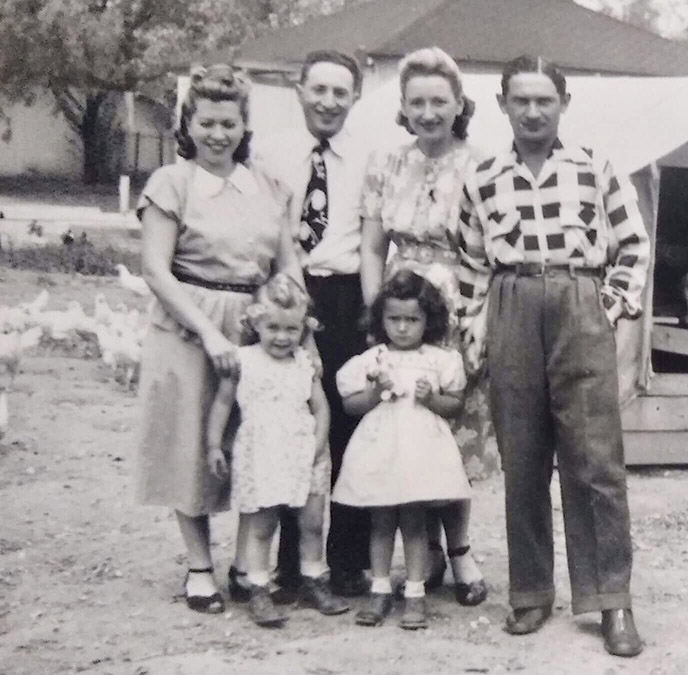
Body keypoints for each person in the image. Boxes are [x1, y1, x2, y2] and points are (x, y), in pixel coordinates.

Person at [456, 55, 651, 657]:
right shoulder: (483, 176)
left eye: (545, 100)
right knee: (524, 457)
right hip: (511, 304)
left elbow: (633, 246)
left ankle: (610, 599)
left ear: (563, 103)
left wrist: (608, 308)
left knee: (595, 460)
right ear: (502, 105)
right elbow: (468, 262)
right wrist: (473, 328)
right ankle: (532, 592)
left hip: (578, 300)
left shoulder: (593, 167)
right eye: (522, 100)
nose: (533, 111)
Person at [134, 64, 301, 614]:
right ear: (189, 123)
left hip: (256, 326)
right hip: (188, 323)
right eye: (206, 123)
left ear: (242, 124)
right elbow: (156, 269)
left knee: (257, 443)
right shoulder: (172, 183)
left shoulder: (267, 186)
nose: (217, 135)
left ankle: (249, 563)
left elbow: (286, 264)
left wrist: (292, 321)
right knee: (191, 444)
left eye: (228, 123)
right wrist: (208, 332)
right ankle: (199, 567)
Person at [358, 46, 490, 609]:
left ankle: (458, 549)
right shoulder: (386, 162)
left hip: (459, 306)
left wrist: (479, 319)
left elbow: (492, 253)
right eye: (418, 102)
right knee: (404, 428)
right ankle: (423, 551)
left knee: (451, 432)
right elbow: (370, 246)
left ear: (459, 104)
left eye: (440, 101)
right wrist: (376, 316)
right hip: (401, 308)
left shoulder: (483, 164)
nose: (429, 112)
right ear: (404, 107)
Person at [255, 49, 373, 599]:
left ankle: (346, 560)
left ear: (356, 97)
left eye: (340, 92)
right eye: (318, 89)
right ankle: (285, 564)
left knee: (348, 426)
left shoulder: (372, 156)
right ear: (299, 90)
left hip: (347, 294)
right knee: (287, 419)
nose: (328, 102)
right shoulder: (270, 154)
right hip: (287, 292)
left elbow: (376, 239)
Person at [205, 274, 350, 627]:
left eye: (291, 329)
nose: (282, 337)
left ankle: (314, 581)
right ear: (256, 322)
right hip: (262, 453)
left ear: (303, 328)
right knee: (262, 524)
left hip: (304, 451)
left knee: (313, 522)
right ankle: (257, 588)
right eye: (273, 327)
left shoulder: (304, 363)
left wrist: (317, 447)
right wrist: (213, 444)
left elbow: (321, 409)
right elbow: (223, 404)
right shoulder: (243, 360)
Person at [333, 271, 473, 629]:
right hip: (381, 451)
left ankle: (415, 593)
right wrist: (375, 392)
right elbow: (351, 405)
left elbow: (455, 405)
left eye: (412, 319)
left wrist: (432, 398)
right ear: (381, 319)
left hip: (419, 454)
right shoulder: (373, 359)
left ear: (429, 320)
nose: (403, 328)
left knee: (414, 525)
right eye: (394, 319)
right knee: (380, 523)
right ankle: (379, 590)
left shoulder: (439, 360)